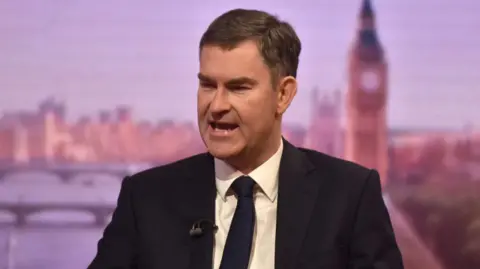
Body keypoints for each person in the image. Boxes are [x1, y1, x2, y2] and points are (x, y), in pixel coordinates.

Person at [88, 8, 404, 269]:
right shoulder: (146, 199)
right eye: (208, 85)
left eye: (238, 88)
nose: (216, 106)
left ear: (283, 94)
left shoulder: (349, 197)